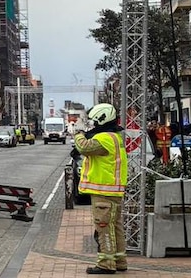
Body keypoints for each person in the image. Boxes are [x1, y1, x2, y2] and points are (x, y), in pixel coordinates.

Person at [72, 102, 128, 274]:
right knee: (115, 226)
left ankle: (106, 263)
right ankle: (119, 260)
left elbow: (84, 147)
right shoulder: (115, 137)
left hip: (104, 191)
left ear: (101, 119)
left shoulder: (104, 139)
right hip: (113, 190)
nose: (93, 125)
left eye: (94, 122)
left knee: (103, 227)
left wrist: (78, 134)